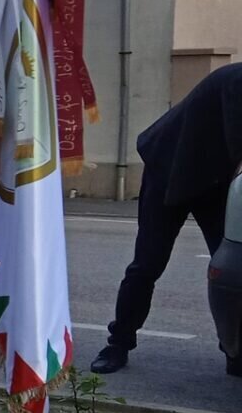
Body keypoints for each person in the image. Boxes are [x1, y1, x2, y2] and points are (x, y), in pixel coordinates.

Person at [93, 63, 242, 375]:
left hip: (213, 181)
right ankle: (118, 343)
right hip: (169, 169)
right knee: (147, 264)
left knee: (231, 268)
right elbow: (238, 144)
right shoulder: (237, 80)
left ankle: (235, 349)